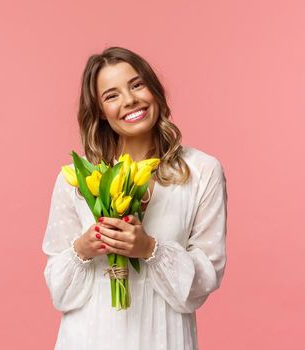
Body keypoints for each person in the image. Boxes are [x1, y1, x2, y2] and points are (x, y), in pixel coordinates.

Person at [42, 46, 228, 350]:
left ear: (154, 90)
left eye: (137, 84)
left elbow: (204, 280)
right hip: (89, 336)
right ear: (101, 112)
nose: (129, 101)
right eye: (111, 95)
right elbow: (59, 292)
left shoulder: (201, 171)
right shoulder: (76, 179)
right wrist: (84, 248)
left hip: (163, 337)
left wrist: (149, 249)